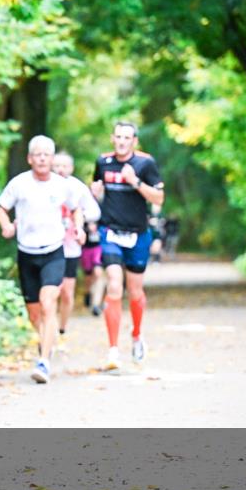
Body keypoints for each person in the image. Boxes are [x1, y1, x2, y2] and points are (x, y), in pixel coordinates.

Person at [0, 135, 83, 384]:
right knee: (35, 315)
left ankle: (43, 361)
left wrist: (79, 228)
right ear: (30, 158)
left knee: (48, 303)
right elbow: (2, 207)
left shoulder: (61, 185)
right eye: (38, 154)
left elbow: (76, 208)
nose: (42, 158)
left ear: (52, 159)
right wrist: (6, 226)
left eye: (47, 154)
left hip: (54, 252)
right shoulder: (19, 184)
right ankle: (48, 340)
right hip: (27, 253)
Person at [90, 121, 165, 369]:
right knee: (114, 285)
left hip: (137, 235)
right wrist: (94, 193)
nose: (122, 141)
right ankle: (112, 351)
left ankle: (136, 335)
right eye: (118, 137)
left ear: (134, 141)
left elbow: (159, 198)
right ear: (112, 138)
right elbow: (97, 193)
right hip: (110, 231)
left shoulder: (145, 164)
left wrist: (135, 182)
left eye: (127, 138)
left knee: (135, 291)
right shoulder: (102, 162)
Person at [51, 152, 100, 339]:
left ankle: (62, 328)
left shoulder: (77, 187)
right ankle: (49, 327)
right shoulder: (44, 185)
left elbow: (94, 211)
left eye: (64, 166)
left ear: (71, 168)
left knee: (66, 291)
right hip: (48, 244)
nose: (60, 169)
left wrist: (77, 220)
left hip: (70, 246)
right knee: (50, 290)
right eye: (56, 166)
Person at [82, 220, 106, 316]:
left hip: (98, 249)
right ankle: (88, 294)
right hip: (86, 250)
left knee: (98, 273)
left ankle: (96, 304)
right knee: (88, 278)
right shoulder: (82, 213)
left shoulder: (101, 214)